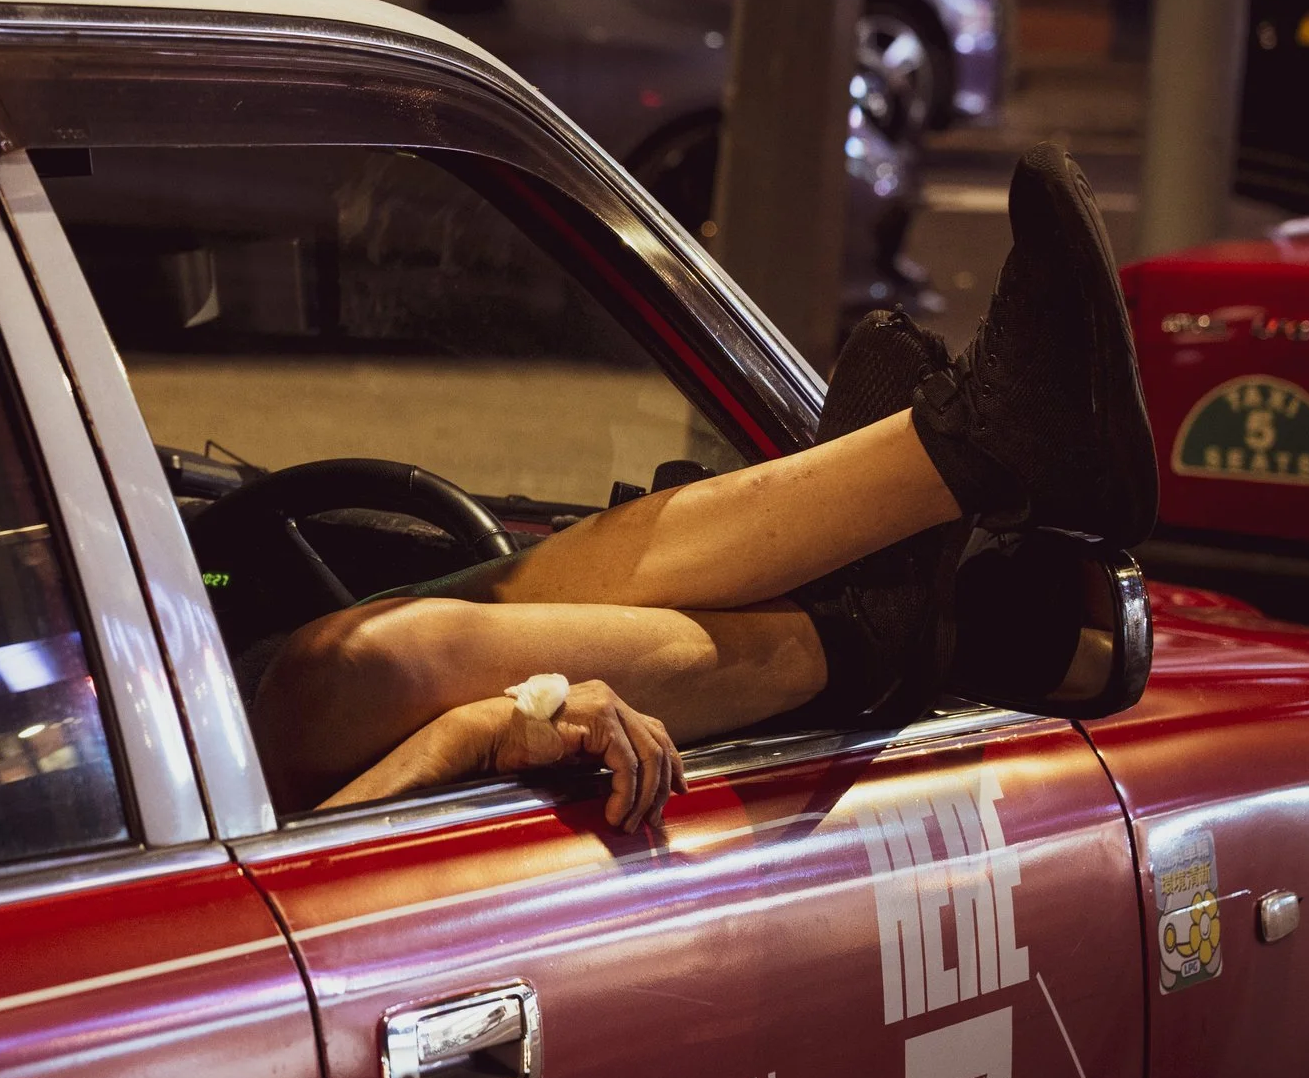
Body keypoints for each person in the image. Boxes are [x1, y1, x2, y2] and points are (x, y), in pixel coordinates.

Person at [248, 145, 1157, 829]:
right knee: (350, 666)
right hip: (193, 813)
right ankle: (895, 566)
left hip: (178, 742)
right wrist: (480, 730)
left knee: (356, 657)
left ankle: (948, 485)